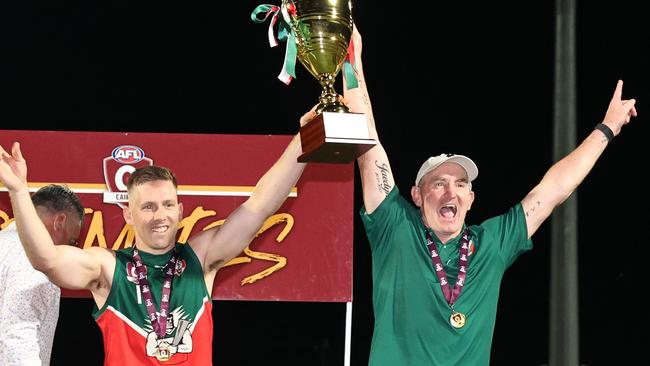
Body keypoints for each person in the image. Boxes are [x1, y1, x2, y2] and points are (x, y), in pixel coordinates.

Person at [344, 27, 638, 365]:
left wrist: (607, 129)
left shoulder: (491, 243)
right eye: (438, 183)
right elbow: (367, 144)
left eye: (460, 184)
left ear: (471, 198)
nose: (449, 191)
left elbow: (553, 190)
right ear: (416, 195)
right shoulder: (394, 227)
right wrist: (352, 60)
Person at [0, 110, 315, 365]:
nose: (160, 216)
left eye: (167, 205)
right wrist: (17, 191)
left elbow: (259, 206)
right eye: (148, 207)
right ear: (128, 215)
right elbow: (46, 258)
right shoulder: (109, 268)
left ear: (180, 210)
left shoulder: (200, 259)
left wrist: (302, 140)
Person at [0, 184, 84, 366]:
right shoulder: (37, 263)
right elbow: (19, 335)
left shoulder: (4, 243)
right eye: (73, 241)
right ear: (59, 222)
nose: (70, 249)